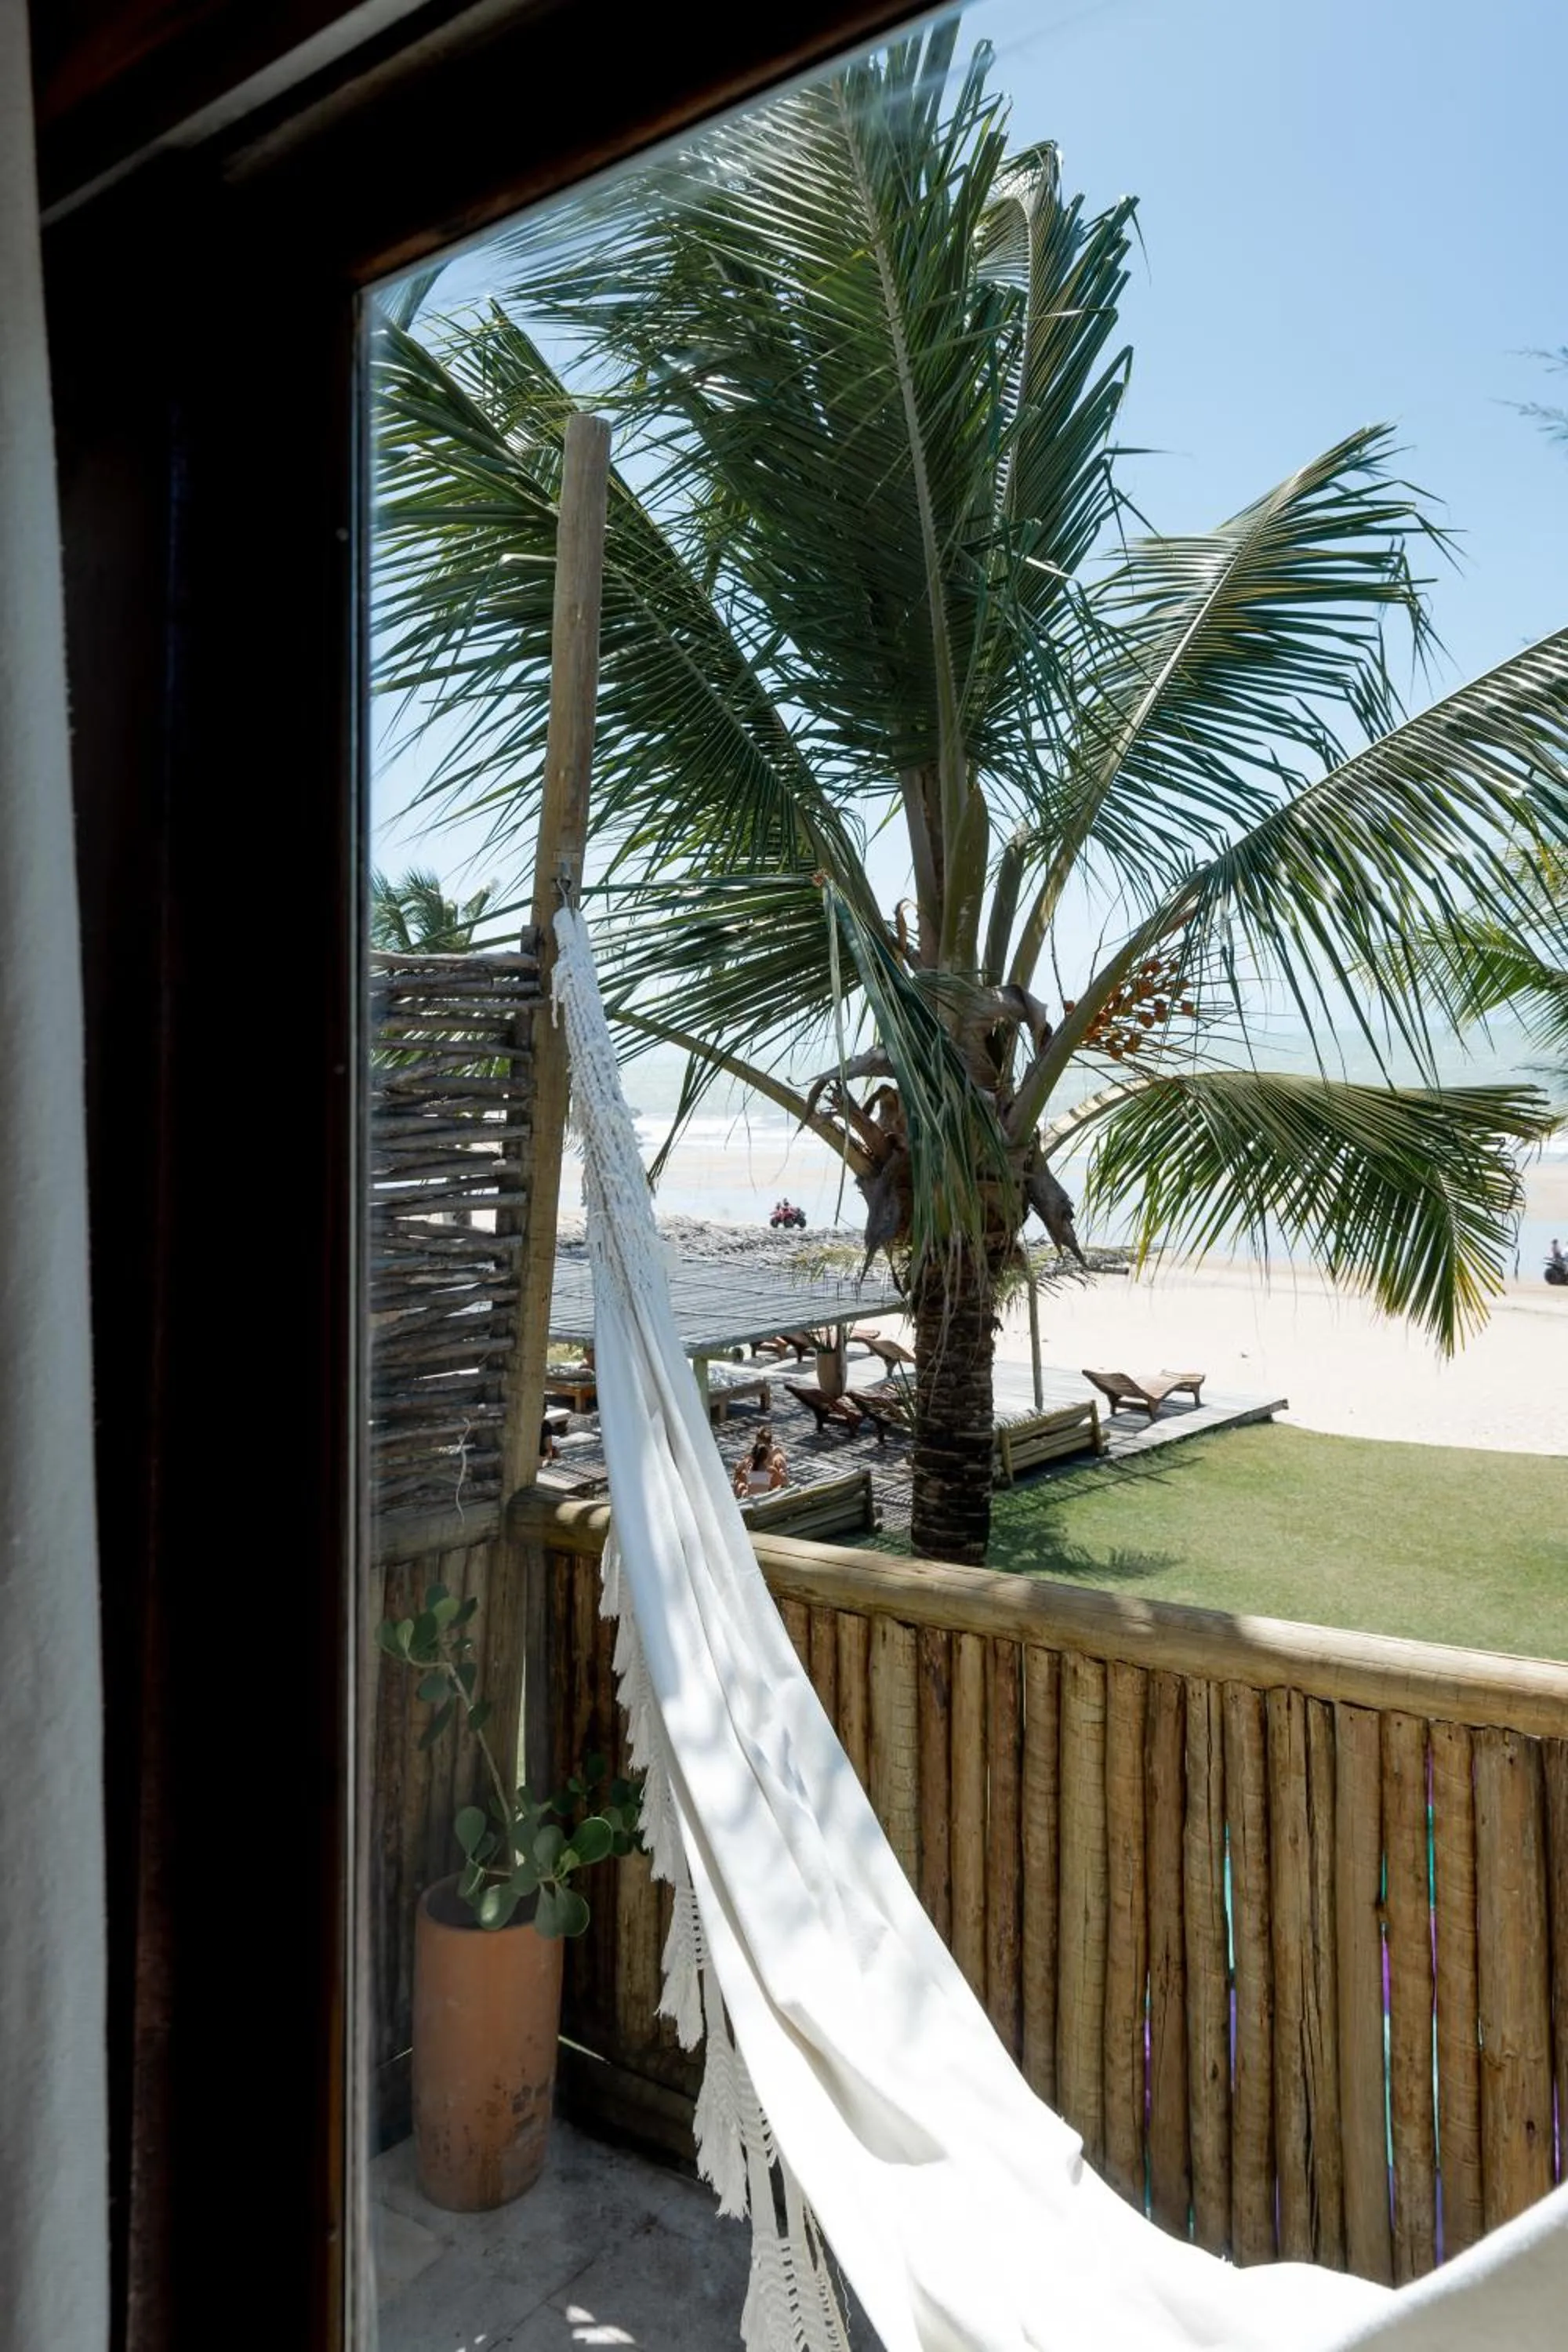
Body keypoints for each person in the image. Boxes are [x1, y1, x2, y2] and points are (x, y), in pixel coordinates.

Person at [733, 1427, 788, 1500]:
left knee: (739, 1479)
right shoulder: (771, 1466)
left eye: (757, 1443)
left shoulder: (749, 1461)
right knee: (767, 1474)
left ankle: (738, 1496)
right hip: (765, 1492)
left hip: (750, 1496)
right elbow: (784, 1480)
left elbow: (738, 1469)